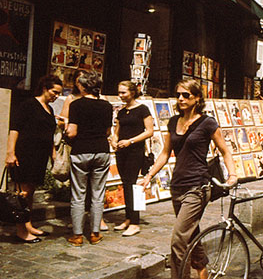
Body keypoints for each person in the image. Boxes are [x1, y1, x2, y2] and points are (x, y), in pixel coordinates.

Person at [139, 78, 237, 279]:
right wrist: (149, 175)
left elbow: (225, 150)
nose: (180, 99)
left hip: (198, 187)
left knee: (178, 240)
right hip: (177, 187)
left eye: (186, 95)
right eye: (178, 95)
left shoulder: (207, 123)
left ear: (196, 98)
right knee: (191, 234)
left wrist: (233, 174)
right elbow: (164, 153)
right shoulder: (173, 122)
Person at [5, 75, 63, 243]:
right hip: (26, 153)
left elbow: (49, 132)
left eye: (59, 93)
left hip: (39, 155)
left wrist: (53, 153)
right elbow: (15, 128)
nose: (56, 96)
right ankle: (20, 230)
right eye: (54, 92)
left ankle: (28, 223)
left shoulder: (49, 109)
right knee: (22, 193)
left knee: (30, 192)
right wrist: (10, 152)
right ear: (45, 88)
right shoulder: (28, 105)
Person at [65, 71, 113, 246]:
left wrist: (65, 133)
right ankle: (94, 233)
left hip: (81, 150)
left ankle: (77, 235)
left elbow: (72, 132)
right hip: (101, 150)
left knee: (78, 194)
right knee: (98, 194)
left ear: (82, 86)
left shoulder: (76, 105)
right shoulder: (107, 106)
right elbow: (108, 132)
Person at [111, 81, 154, 237]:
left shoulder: (142, 109)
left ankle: (135, 222)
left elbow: (149, 131)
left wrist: (131, 141)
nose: (121, 95)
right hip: (121, 152)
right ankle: (128, 218)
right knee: (126, 184)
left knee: (133, 185)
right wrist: (114, 140)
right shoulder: (122, 112)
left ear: (132, 92)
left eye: (123, 92)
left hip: (135, 151)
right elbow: (117, 131)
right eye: (119, 92)